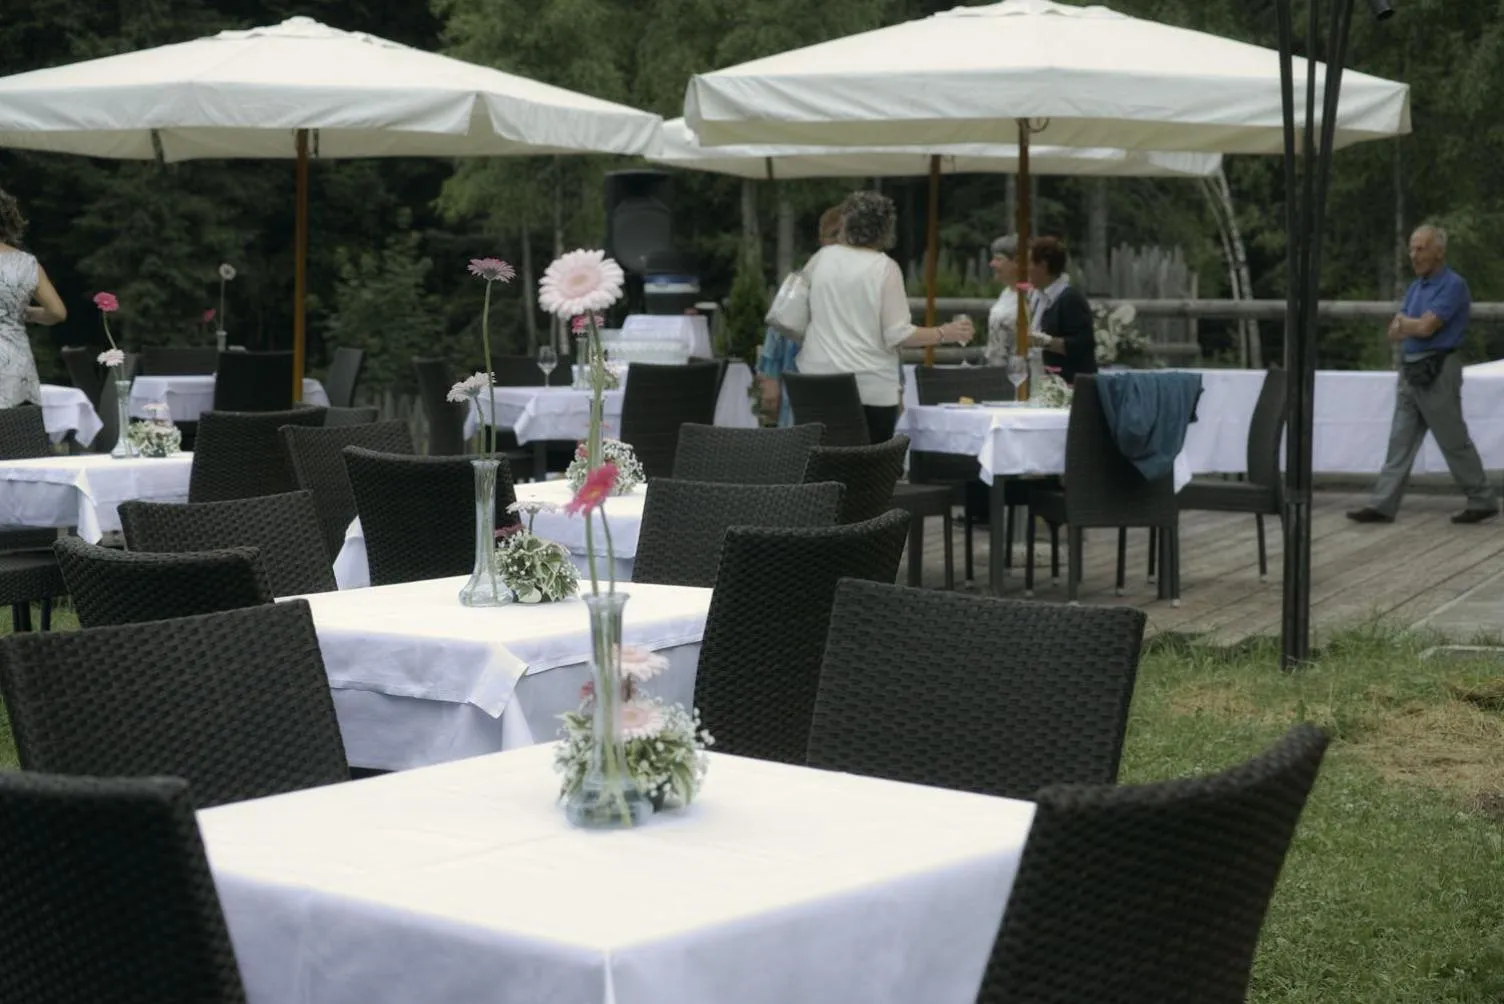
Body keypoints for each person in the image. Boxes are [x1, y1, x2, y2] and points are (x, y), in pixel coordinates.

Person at [1347, 225, 1498, 525]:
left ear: (1438, 251)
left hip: (1438, 369)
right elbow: (1396, 331)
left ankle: (1482, 498)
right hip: (1410, 370)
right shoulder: (1416, 287)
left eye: (1421, 249)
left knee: (1452, 439)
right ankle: (1382, 504)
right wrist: (1408, 324)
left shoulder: (1453, 285)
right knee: (1399, 439)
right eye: (1412, 249)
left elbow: (1426, 328)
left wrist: (1406, 323)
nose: (1413, 255)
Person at [799, 190, 973, 444]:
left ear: (846, 223)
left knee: (819, 464)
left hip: (815, 383)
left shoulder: (820, 259)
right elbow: (898, 334)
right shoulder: (884, 268)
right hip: (867, 388)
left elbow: (798, 312)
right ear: (886, 230)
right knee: (868, 471)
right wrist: (944, 333)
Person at [756, 206, 844, 426]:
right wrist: (770, 381)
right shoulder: (800, 283)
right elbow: (776, 333)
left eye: (847, 236)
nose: (840, 242)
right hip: (795, 401)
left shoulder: (866, 287)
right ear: (822, 239)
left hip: (847, 399)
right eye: (835, 235)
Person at [0, 189, 65, 409]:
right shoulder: (27, 263)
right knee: (17, 437)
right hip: (15, 367)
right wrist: (24, 313)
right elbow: (57, 312)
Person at [1026, 236, 1096, 385]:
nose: (1026, 268)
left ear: (1043, 266)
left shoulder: (1070, 299)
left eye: (1030, 263)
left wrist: (1045, 341)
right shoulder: (1038, 297)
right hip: (1041, 381)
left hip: (1068, 386)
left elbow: (1083, 345)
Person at [985, 234, 1021, 366]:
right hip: (996, 369)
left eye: (998, 259)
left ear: (1016, 262)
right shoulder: (1006, 293)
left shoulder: (1030, 296)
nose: (992, 264)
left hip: (1018, 371)